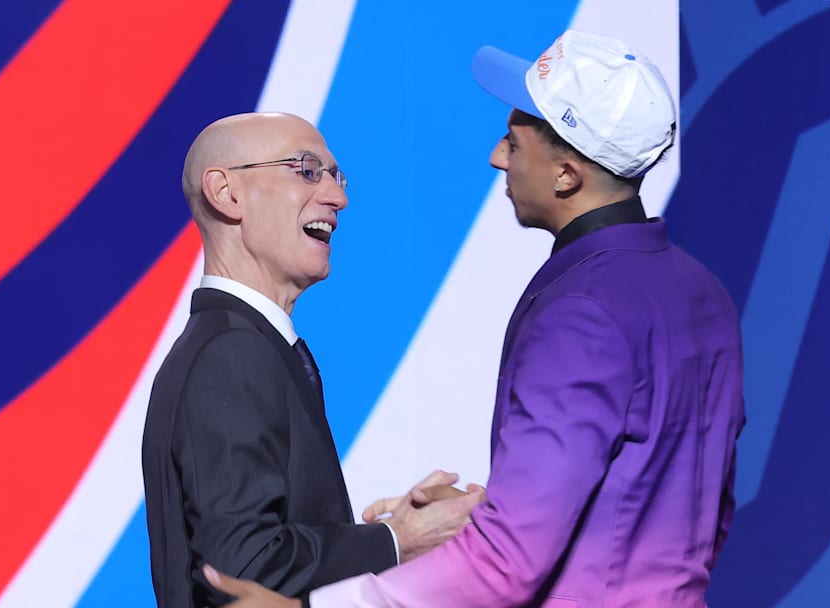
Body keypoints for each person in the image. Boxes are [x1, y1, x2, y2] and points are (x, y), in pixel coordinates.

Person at [202, 29, 746, 608]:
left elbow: (511, 561)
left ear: (567, 173)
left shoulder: (582, 312)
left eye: (514, 140)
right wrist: (482, 515)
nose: (496, 156)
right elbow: (682, 502)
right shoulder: (702, 291)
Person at [141, 112, 485, 608]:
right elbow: (241, 568)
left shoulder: (252, 346)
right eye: (305, 170)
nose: (337, 197)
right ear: (226, 193)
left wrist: (400, 534)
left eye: (335, 176)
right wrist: (395, 539)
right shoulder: (230, 355)